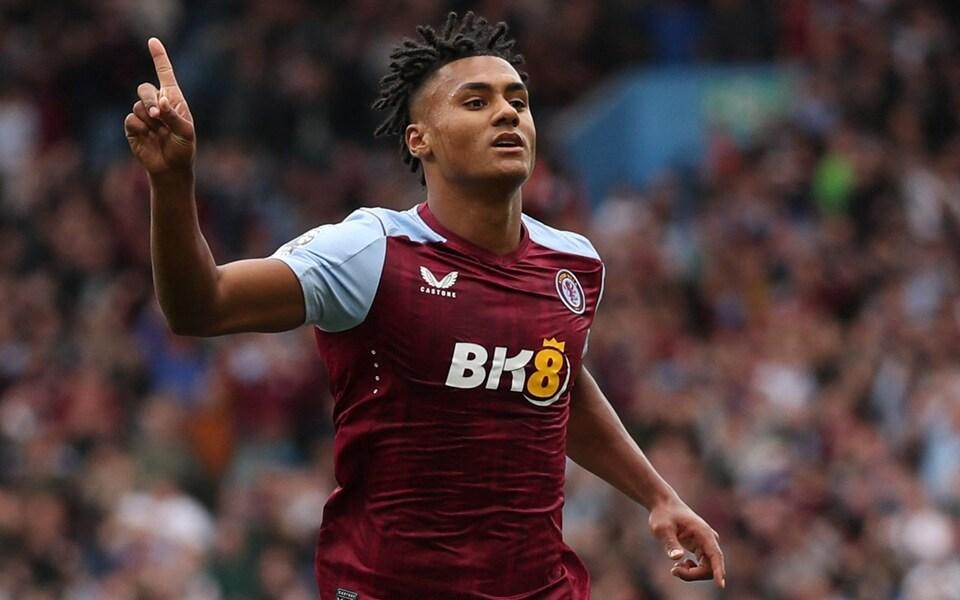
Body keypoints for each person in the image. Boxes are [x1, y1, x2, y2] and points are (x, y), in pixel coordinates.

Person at [124, 11, 725, 599]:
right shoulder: (370, 252)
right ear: (421, 139)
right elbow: (201, 307)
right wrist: (172, 182)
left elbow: (558, 380)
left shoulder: (574, 263)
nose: (507, 113)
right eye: (475, 102)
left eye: (518, 101)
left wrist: (658, 495)